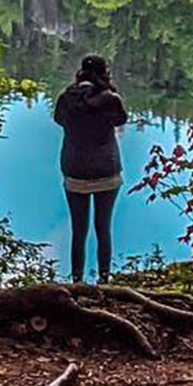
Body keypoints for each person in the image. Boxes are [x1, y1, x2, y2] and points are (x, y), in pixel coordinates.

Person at [53, 54, 130, 283]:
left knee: (79, 230)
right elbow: (121, 120)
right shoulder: (110, 99)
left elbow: (59, 120)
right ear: (104, 72)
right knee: (103, 228)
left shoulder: (66, 98)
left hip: (75, 170)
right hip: (107, 170)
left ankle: (77, 281)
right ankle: (104, 280)